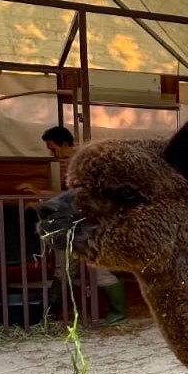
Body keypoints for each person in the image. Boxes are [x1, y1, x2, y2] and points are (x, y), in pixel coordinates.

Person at [21, 126, 127, 325]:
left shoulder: (83, 163)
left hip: (89, 224)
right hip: (78, 223)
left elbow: (75, 196)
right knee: (68, 268)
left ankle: (118, 312)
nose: (52, 153)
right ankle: (53, 313)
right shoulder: (74, 162)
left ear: (64, 144)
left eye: (53, 148)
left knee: (94, 268)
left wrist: (40, 196)